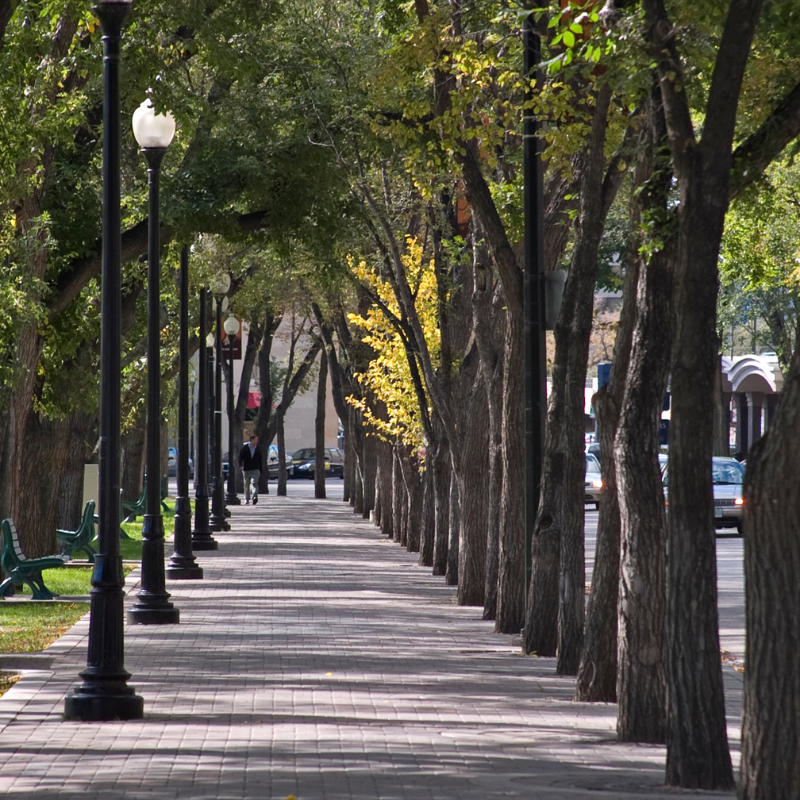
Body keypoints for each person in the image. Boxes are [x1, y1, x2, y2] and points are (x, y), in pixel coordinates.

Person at [238, 435, 263, 505]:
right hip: (246, 468)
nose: (257, 441)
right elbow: (240, 457)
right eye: (256, 439)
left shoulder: (258, 448)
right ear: (251, 440)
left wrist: (260, 469)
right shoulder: (245, 448)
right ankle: (247, 498)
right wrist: (240, 465)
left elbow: (260, 459)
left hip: (255, 468)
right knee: (246, 484)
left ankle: (254, 497)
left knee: (254, 482)